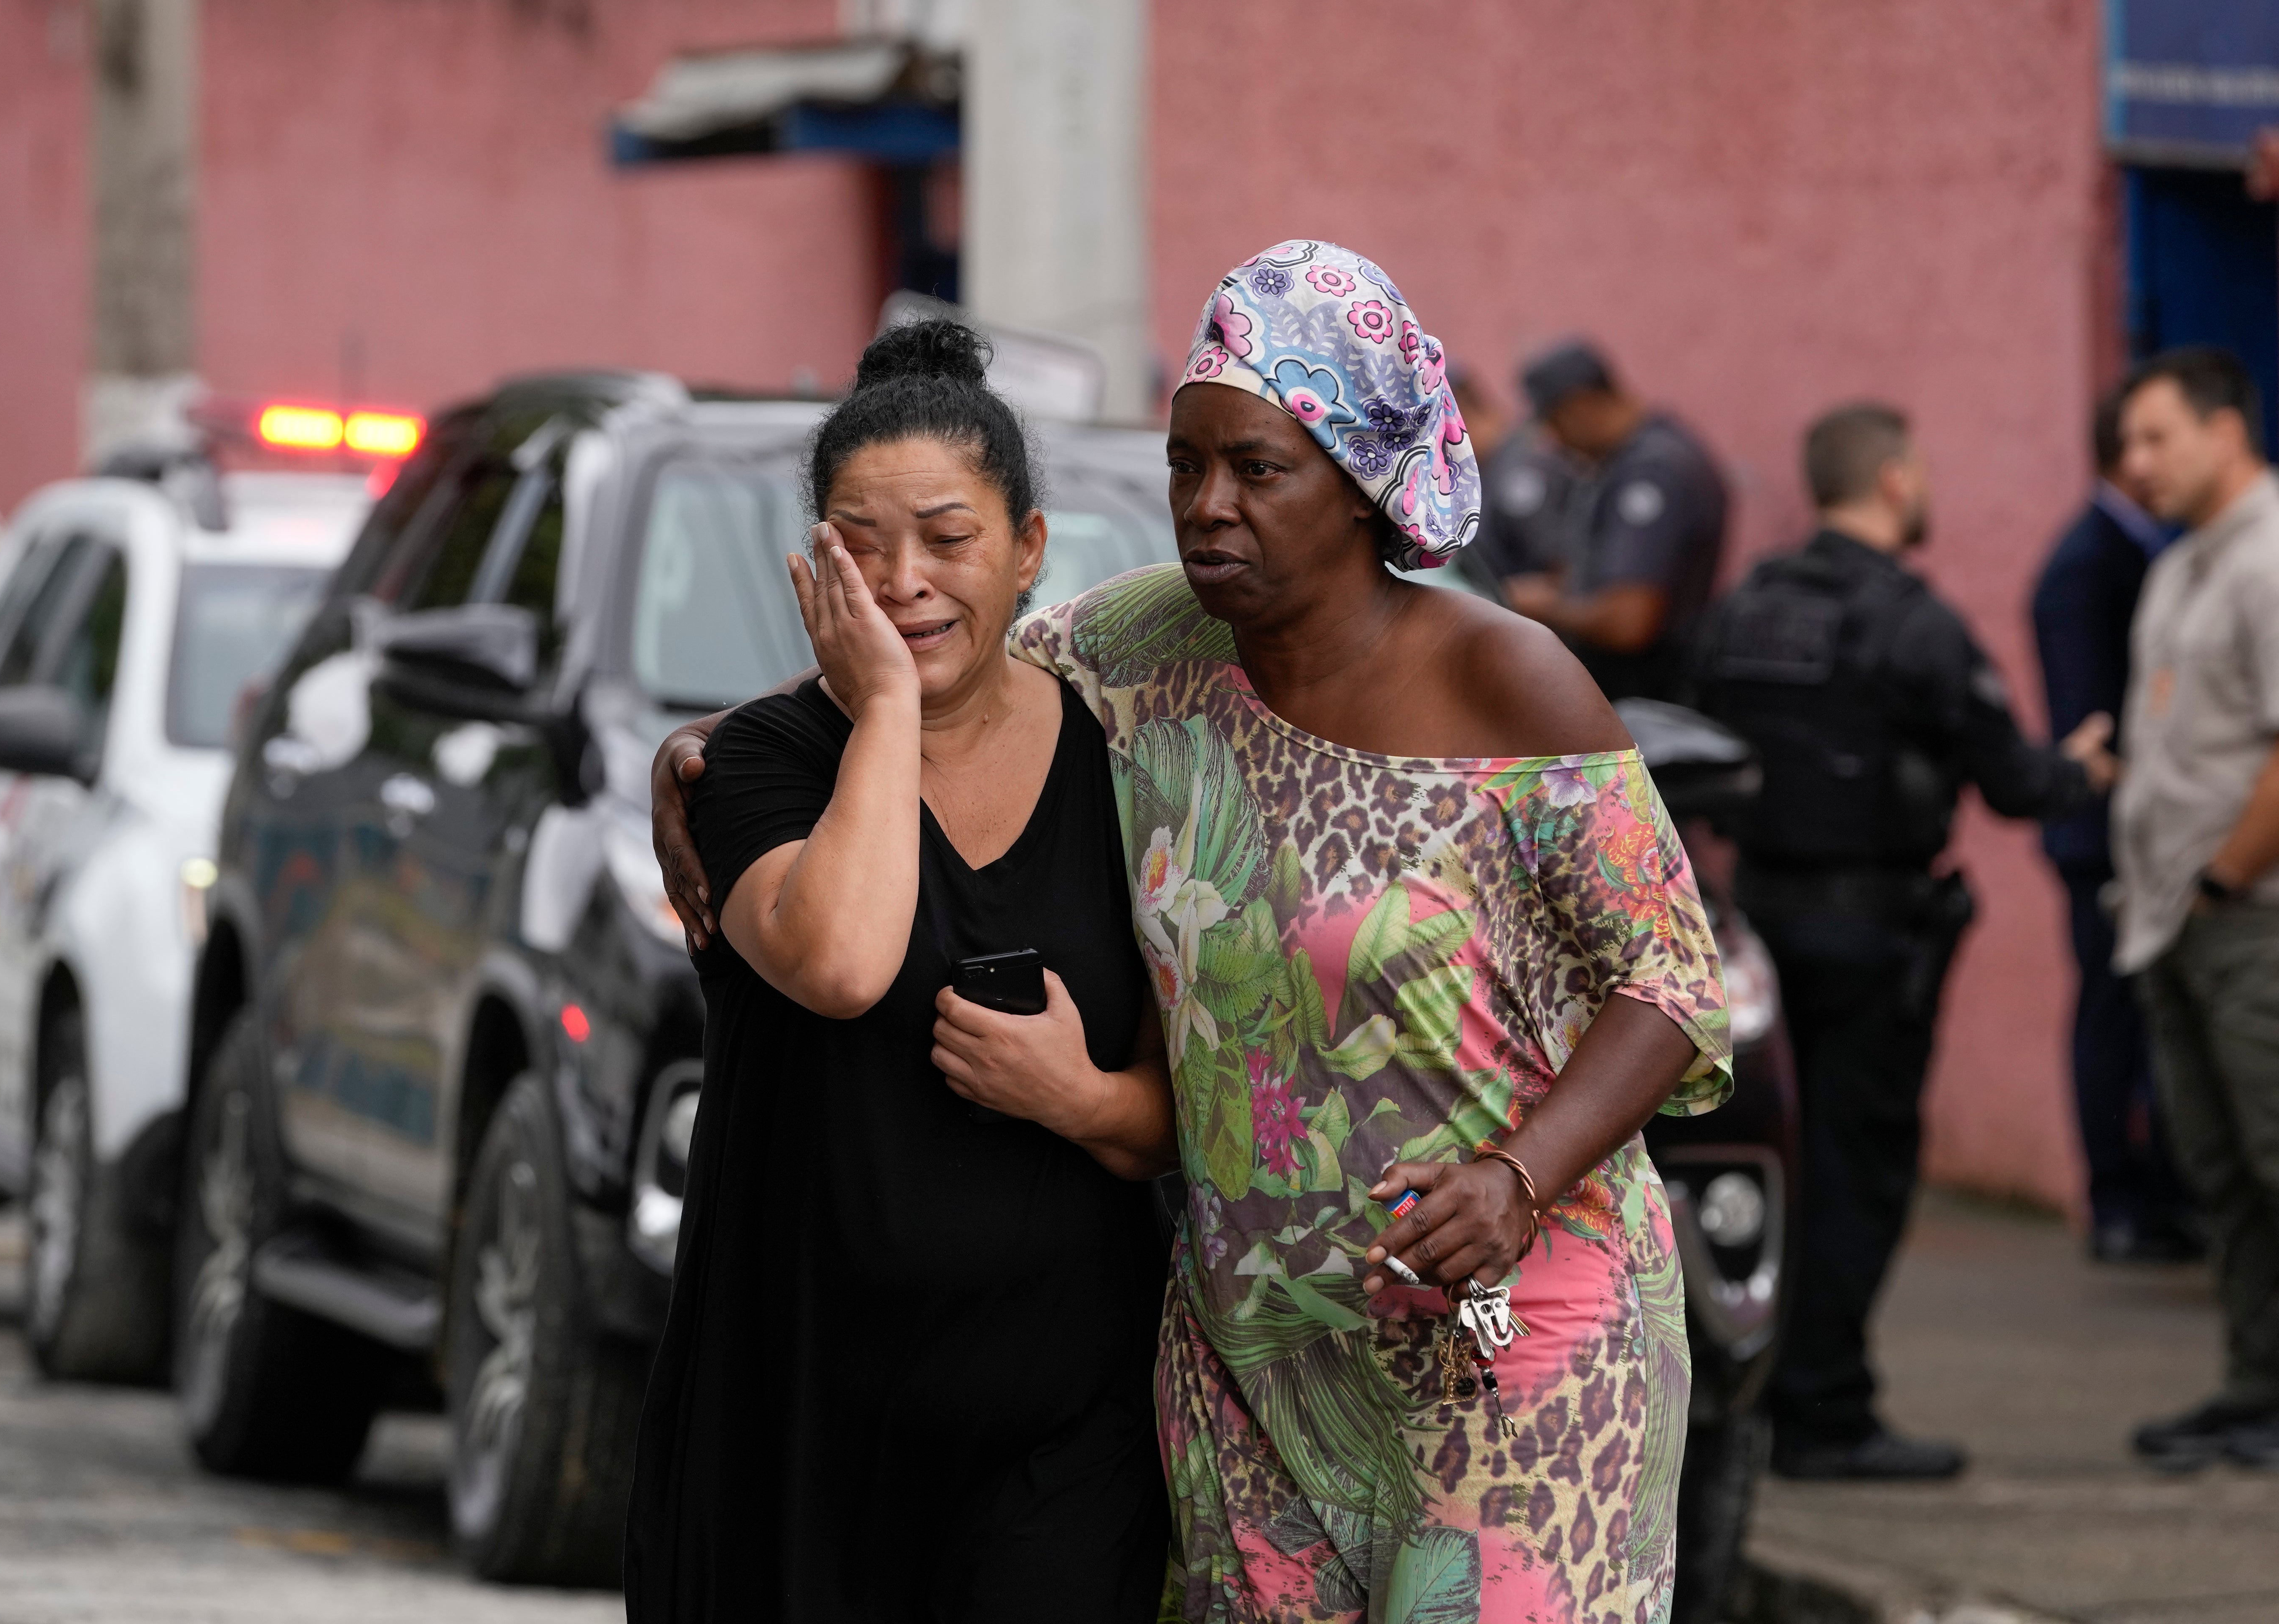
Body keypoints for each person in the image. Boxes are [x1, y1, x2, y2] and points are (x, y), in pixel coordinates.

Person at [656, 243, 1735, 1621]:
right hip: (1259, 1360)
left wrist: (1520, 1176)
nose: (1207, 507)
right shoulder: (1146, 648)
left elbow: (1670, 979)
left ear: (1357, 486)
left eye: (1257, 470)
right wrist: (716, 753)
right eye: (1186, 466)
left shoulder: (1503, 679)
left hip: (1508, 1336)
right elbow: (931, 651)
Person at [621, 321, 1177, 1623]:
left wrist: (1079, 1099)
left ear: (1028, 549)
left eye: (948, 536)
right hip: (796, 1422)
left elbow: (1202, 1109)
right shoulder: (751, 766)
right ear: (815, 561)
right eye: (860, 544)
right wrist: (880, 710)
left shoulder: (1127, 770)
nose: (904, 580)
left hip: (1058, 1438)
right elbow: (838, 960)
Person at [1693, 402, 2116, 1482]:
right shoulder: (1913, 622)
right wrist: (2082, 768)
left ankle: (1765, 1390)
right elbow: (2015, 781)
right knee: (1858, 1169)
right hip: (1875, 936)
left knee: (1779, 1164)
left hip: (1762, 922)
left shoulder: (1749, 605)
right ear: (1892, 481)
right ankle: (1827, 1410)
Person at [2110, 346, 2279, 1472]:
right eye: (2129, 444)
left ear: (2229, 431)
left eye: (2158, 437)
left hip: (2261, 920)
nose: (2136, 465)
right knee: (2222, 1169)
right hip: (2181, 923)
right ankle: (2260, 1382)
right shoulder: (2188, 568)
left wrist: (2223, 880)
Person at [2030, 392, 2195, 1263]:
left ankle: (2163, 1189)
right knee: (2109, 1013)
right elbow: (2089, 717)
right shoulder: (2089, 561)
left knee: (2140, 1016)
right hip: (2098, 834)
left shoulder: (2135, 549)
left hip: (2127, 832)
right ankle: (2119, 1201)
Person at [1485, 338, 1730, 704]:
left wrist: (1544, 605)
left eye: (1555, 423)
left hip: (1652, 704)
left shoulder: (1653, 470)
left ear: (1581, 406)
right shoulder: (1624, 462)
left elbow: (1629, 622)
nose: (1553, 440)